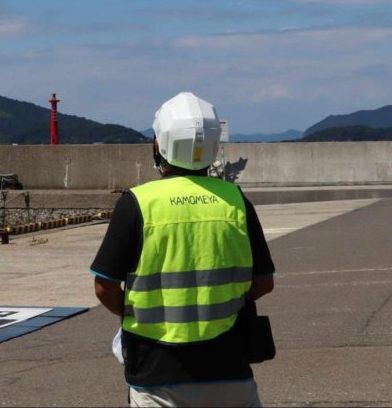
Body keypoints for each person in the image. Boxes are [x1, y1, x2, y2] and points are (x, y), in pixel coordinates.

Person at [90, 92, 275, 407]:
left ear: (158, 145)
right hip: (230, 367)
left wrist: (136, 314)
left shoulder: (137, 203)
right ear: (213, 148)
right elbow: (263, 282)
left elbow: (104, 287)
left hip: (156, 373)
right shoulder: (236, 201)